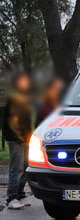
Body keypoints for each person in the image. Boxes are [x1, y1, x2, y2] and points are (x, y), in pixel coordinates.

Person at [3, 71, 33, 209]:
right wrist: (19, 136)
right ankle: (11, 198)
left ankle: (20, 194)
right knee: (16, 168)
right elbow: (12, 120)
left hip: (25, 137)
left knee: (26, 167)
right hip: (16, 138)